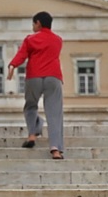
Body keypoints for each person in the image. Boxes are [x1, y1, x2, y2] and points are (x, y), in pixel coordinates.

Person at [6, 11, 65, 160]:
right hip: (53, 76)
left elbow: (22, 55)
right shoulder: (58, 40)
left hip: (34, 76)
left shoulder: (30, 39)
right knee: (54, 113)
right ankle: (55, 149)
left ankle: (32, 134)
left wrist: (12, 65)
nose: (32, 26)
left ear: (38, 23)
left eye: (33, 23)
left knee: (31, 106)